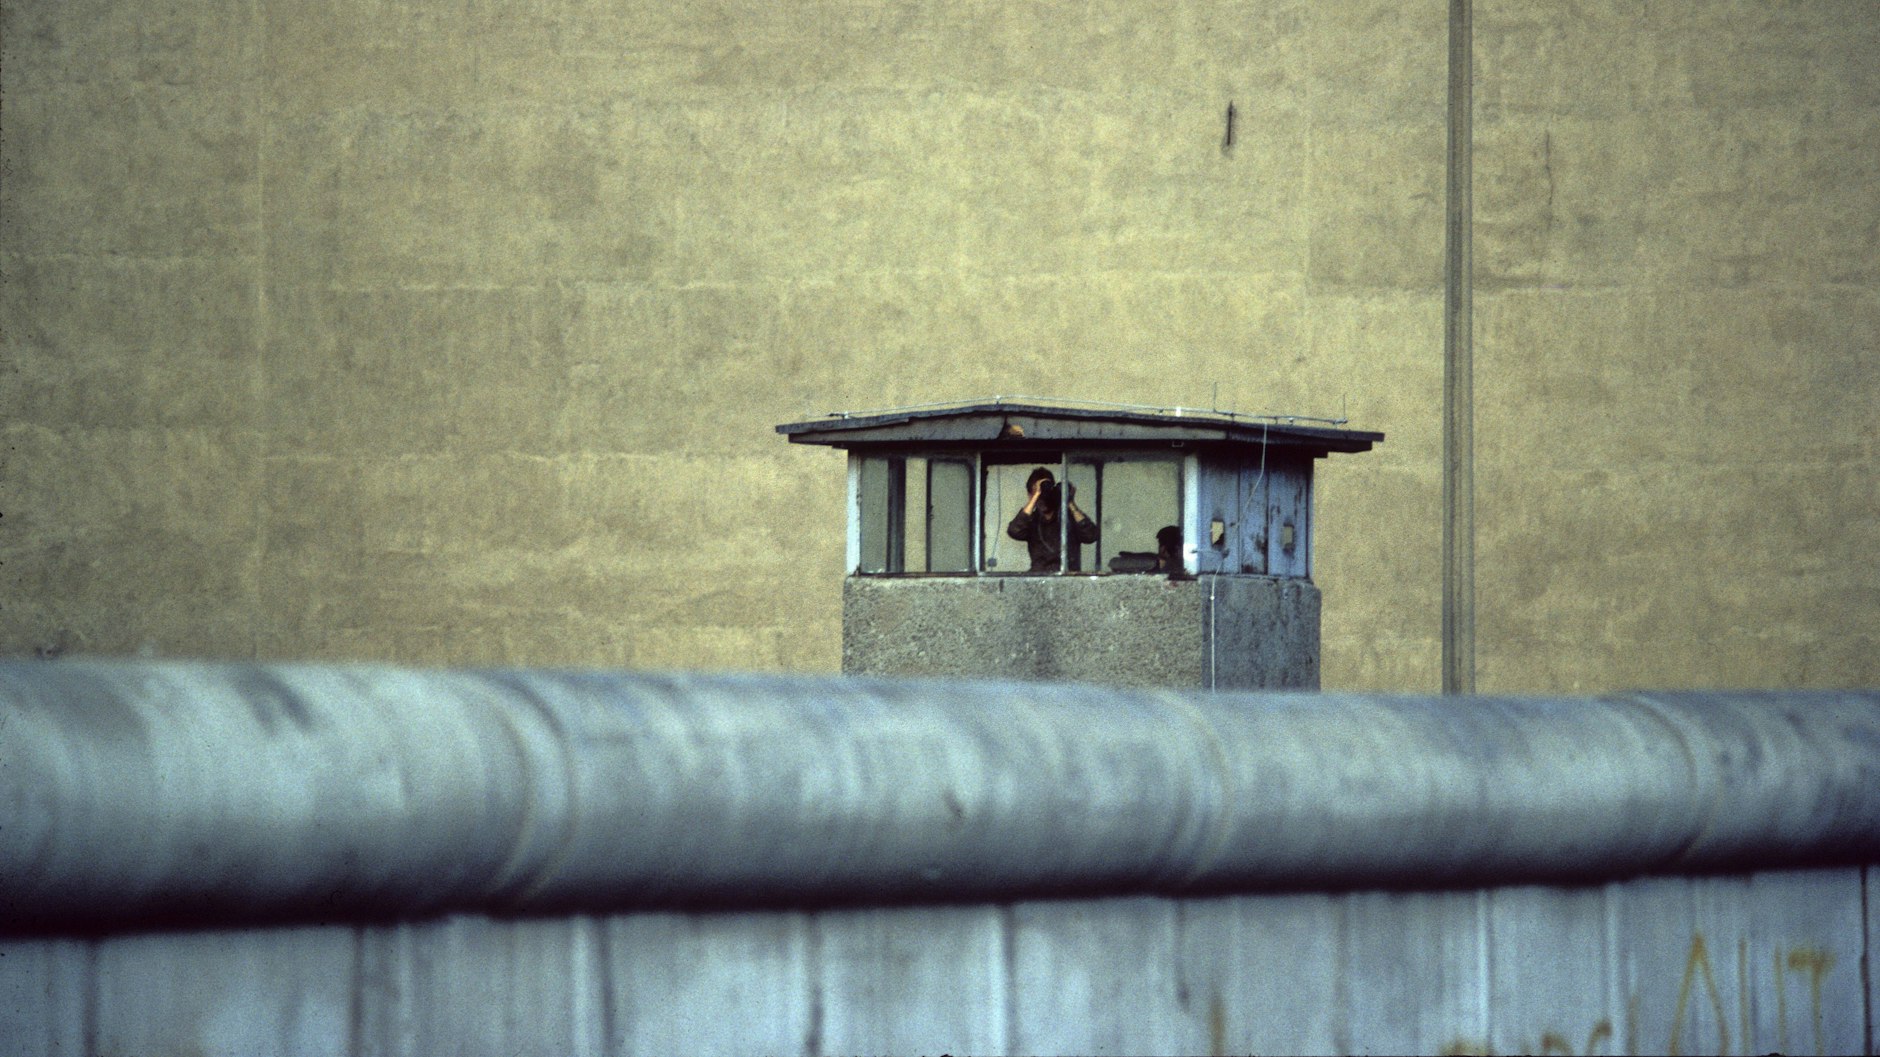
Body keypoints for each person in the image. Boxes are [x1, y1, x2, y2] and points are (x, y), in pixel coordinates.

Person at [1006, 467, 1098, 572]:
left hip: (1068, 580)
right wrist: (1035, 496)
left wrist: (1070, 501)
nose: (1043, 498)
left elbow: (1091, 536)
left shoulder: (1068, 519)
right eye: (1037, 494)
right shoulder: (1031, 522)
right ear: (1030, 495)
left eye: (1045, 493)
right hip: (1039, 580)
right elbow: (1014, 531)